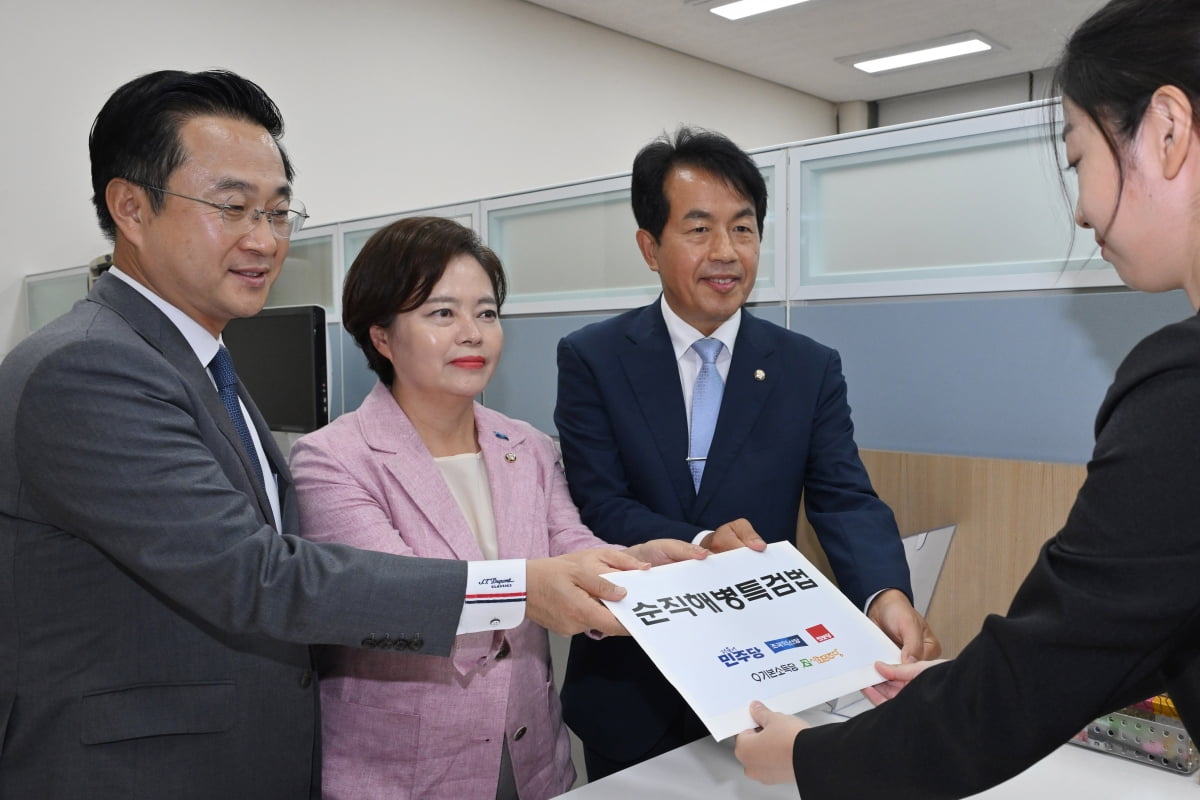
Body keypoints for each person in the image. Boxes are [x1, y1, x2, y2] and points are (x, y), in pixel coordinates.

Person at [0, 69, 676, 800]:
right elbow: (258, 576)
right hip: (138, 771)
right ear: (130, 207)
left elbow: (561, 547)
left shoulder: (201, 365)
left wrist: (658, 568)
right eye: (232, 208)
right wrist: (516, 591)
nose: (263, 239)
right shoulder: (93, 366)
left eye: (279, 212)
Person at [734, 1, 1200, 796]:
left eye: (1076, 157)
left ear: (1165, 129)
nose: (1083, 208)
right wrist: (961, 688)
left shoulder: (1181, 394)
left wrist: (810, 758)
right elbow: (1128, 629)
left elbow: (1042, 668)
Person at [289, 216, 745, 799]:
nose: (473, 333)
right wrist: (530, 587)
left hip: (531, 761)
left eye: (486, 313)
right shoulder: (332, 459)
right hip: (401, 773)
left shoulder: (525, 445)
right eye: (441, 313)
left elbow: (568, 545)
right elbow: (396, 600)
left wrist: (638, 564)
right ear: (381, 336)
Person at [554, 125, 941, 780]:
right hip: (632, 682)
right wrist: (704, 541)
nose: (726, 252)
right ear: (650, 246)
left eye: (744, 228)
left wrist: (884, 594)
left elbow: (845, 499)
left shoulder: (806, 368)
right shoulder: (592, 358)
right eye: (699, 229)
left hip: (767, 681)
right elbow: (599, 503)